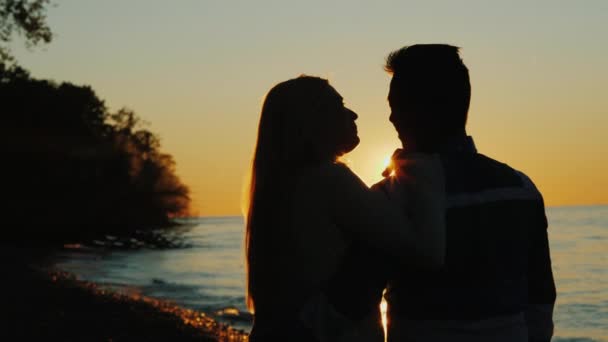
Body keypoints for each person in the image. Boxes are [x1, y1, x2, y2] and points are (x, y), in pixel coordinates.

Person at [375, 44, 557, 342]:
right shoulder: (521, 189)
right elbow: (540, 301)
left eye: (396, 105)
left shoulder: (389, 198)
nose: (391, 118)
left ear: (422, 110)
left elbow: (353, 304)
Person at [244, 75, 447, 341]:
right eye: (338, 106)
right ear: (311, 121)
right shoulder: (329, 179)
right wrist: (422, 173)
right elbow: (428, 251)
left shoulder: (280, 187)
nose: (353, 114)